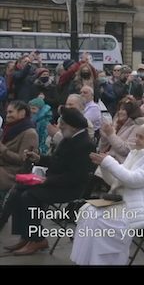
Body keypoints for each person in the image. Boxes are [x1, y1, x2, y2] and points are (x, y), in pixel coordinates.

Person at [70, 123, 144, 265]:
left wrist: (109, 162)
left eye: (141, 137)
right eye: (136, 136)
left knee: (101, 220)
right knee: (90, 212)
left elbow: (133, 180)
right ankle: (90, 261)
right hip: (125, 203)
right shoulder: (136, 152)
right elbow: (115, 182)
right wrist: (104, 166)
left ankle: (107, 262)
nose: (136, 140)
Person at [4, 108, 94, 256]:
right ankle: (26, 236)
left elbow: (77, 176)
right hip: (55, 182)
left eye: (62, 124)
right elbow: (57, 161)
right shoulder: (69, 138)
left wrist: (47, 180)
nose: (59, 127)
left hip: (69, 187)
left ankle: (38, 239)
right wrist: (39, 158)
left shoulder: (84, 144)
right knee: (19, 191)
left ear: (73, 126)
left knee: (29, 196)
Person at [0, 101, 39, 197]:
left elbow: (23, 160)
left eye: (11, 112)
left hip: (12, 173)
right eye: (7, 112)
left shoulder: (29, 133)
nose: (8, 115)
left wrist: (3, 150)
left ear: (22, 113)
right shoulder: (10, 129)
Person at [98, 97, 144, 164]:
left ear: (131, 111)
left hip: (120, 165)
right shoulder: (116, 124)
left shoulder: (137, 127)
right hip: (107, 161)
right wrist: (105, 138)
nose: (120, 112)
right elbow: (102, 149)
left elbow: (127, 150)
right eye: (119, 109)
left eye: (123, 109)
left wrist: (111, 135)